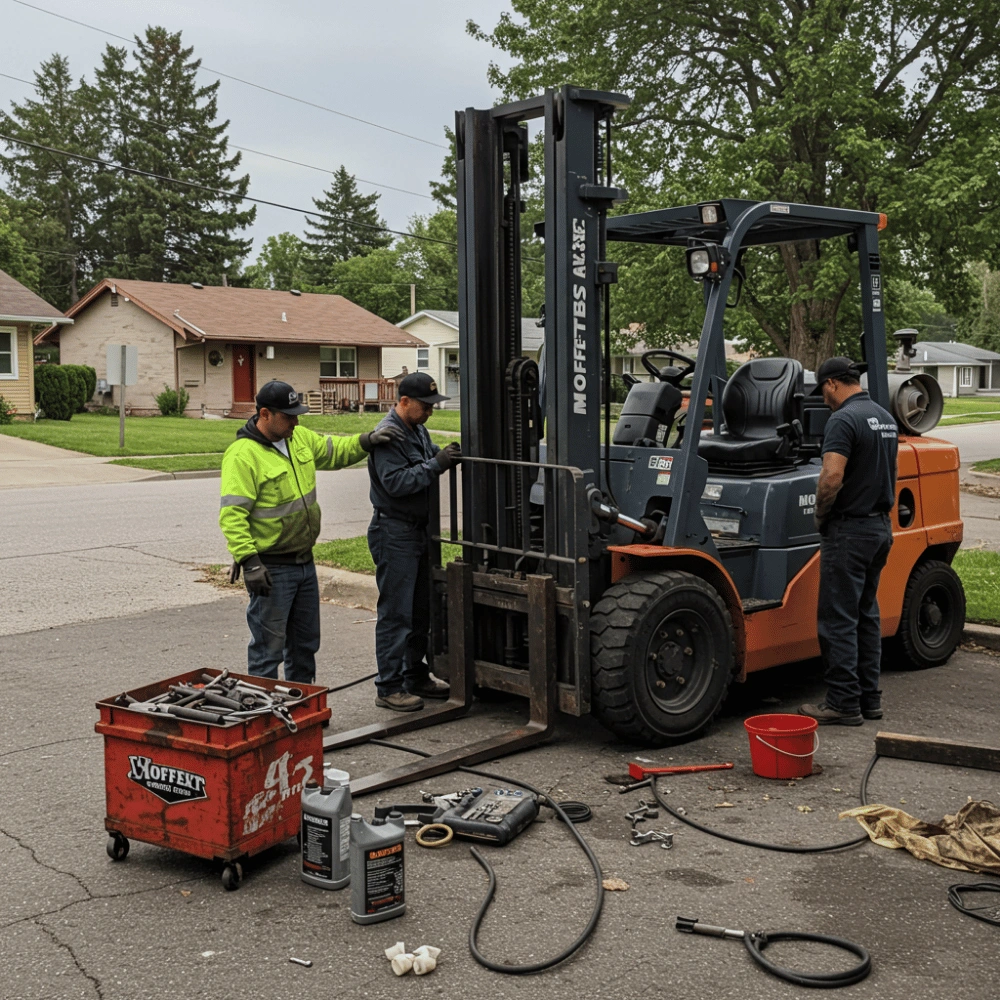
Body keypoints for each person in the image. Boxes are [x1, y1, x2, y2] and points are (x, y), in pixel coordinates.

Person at [220, 379, 402, 682]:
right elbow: (232, 515)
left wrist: (367, 440)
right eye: (289, 415)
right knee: (268, 650)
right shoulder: (243, 455)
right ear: (265, 414)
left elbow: (334, 451)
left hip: (303, 563)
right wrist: (249, 561)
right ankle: (266, 716)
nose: (296, 420)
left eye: (297, 413)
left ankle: (301, 708)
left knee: (304, 645)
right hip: (271, 568)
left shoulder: (298, 438)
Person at [800, 357, 898, 726]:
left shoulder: (843, 419)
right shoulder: (883, 417)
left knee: (838, 618)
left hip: (849, 530)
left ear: (831, 385)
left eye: (822, 392)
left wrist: (821, 514)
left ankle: (842, 702)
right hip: (878, 529)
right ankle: (870, 699)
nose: (823, 399)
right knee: (865, 614)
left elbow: (832, 475)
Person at [367, 372, 462, 711]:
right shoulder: (389, 435)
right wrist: (437, 465)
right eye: (425, 407)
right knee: (397, 612)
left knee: (421, 608)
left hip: (417, 530)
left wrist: (449, 453)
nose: (430, 413)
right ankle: (389, 686)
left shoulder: (416, 429)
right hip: (394, 531)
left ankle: (415, 674)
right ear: (404, 402)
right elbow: (396, 482)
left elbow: (429, 456)